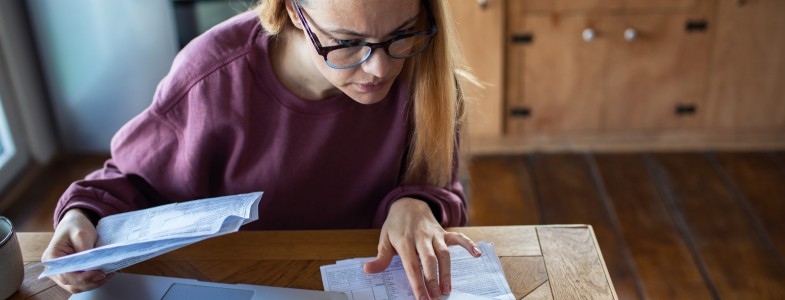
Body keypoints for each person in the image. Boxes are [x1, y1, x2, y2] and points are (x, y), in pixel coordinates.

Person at [41, 0, 480, 299]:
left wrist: (418, 205)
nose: (381, 68)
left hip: (368, 282)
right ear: (293, 11)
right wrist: (83, 216)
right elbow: (129, 181)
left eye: (401, 35)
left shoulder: (427, 69)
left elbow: (441, 184)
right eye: (346, 42)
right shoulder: (211, 77)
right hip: (235, 282)